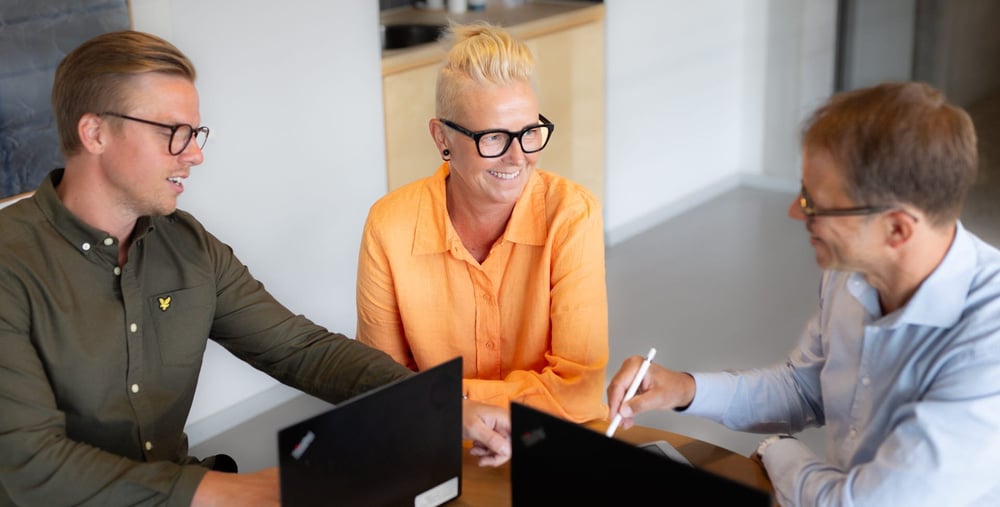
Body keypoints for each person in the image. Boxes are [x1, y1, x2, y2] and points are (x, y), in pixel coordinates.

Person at [0, 30, 510, 507]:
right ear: (94, 133)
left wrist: (441, 407)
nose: (194, 155)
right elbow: (33, 465)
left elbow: (302, 350)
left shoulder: (187, 247)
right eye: (173, 133)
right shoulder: (11, 264)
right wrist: (251, 492)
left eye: (196, 133)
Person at [608, 81, 1000, 506]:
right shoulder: (848, 273)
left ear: (897, 229)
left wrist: (778, 451)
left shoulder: (988, 346)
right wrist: (685, 388)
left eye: (814, 202)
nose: (794, 210)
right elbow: (803, 388)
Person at [355, 23, 609, 423]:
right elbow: (382, 391)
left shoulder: (573, 215)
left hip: (550, 436)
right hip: (435, 440)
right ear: (442, 138)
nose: (518, 157)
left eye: (529, 132)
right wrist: (459, 411)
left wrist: (453, 401)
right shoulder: (389, 227)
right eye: (493, 137)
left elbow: (579, 393)